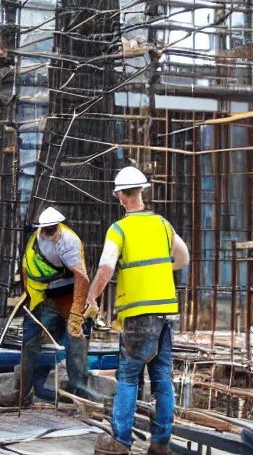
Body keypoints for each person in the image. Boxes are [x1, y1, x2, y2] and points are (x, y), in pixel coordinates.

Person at [85, 167, 190, 455]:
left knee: (129, 377)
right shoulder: (163, 225)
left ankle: (120, 441)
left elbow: (106, 269)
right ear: (141, 192)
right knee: (162, 378)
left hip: (138, 315)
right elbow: (183, 258)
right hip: (167, 311)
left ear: (120, 196)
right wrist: (157, 272)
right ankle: (160, 443)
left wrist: (89, 299)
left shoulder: (119, 229)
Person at [0, 206, 92, 406]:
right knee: (29, 341)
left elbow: (82, 278)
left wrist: (76, 312)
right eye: (45, 229)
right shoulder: (33, 242)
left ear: (58, 226)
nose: (48, 232)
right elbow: (26, 269)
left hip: (68, 297)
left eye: (51, 228)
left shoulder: (68, 241)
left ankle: (82, 398)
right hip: (42, 298)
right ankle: (22, 393)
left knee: (75, 344)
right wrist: (29, 296)